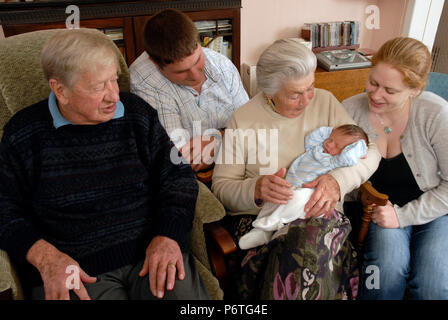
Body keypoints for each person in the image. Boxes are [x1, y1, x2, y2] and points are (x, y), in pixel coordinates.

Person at [0, 28, 209, 300]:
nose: (114, 95)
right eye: (99, 86)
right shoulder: (23, 134)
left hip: (151, 252)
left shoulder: (137, 113)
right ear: (60, 90)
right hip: (74, 266)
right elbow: (4, 207)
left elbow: (177, 177)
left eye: (114, 80)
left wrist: (167, 235)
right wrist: (45, 257)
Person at [212, 38, 381, 300]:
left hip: (320, 213)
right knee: (303, 253)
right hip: (262, 219)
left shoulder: (325, 102)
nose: (306, 101)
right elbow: (222, 187)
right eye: (294, 94)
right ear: (268, 92)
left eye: (310, 88)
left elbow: (370, 152)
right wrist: (255, 188)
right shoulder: (243, 118)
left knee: (307, 242)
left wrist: (337, 181)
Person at [342, 37, 448, 300]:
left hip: (435, 210)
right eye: (373, 82)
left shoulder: (435, 114)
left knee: (433, 282)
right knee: (384, 275)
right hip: (378, 211)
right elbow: (339, 174)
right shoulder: (349, 111)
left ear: (415, 90)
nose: (376, 95)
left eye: (389, 90)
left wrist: (403, 217)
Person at [130, 8, 249, 172]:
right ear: (156, 63)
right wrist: (231, 140)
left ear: (199, 42)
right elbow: (179, 158)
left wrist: (217, 141)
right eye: (181, 71)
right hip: (190, 177)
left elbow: (252, 129)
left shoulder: (222, 66)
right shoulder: (145, 80)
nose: (195, 76)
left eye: (198, 60)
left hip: (239, 164)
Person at [239, 124, 369, 250]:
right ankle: (261, 232)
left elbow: (349, 157)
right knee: (274, 197)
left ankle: (271, 224)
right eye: (330, 139)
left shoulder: (337, 160)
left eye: (337, 145)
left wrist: (360, 148)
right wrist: (332, 132)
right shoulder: (316, 148)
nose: (329, 144)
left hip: (310, 194)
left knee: (299, 198)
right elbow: (311, 137)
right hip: (291, 184)